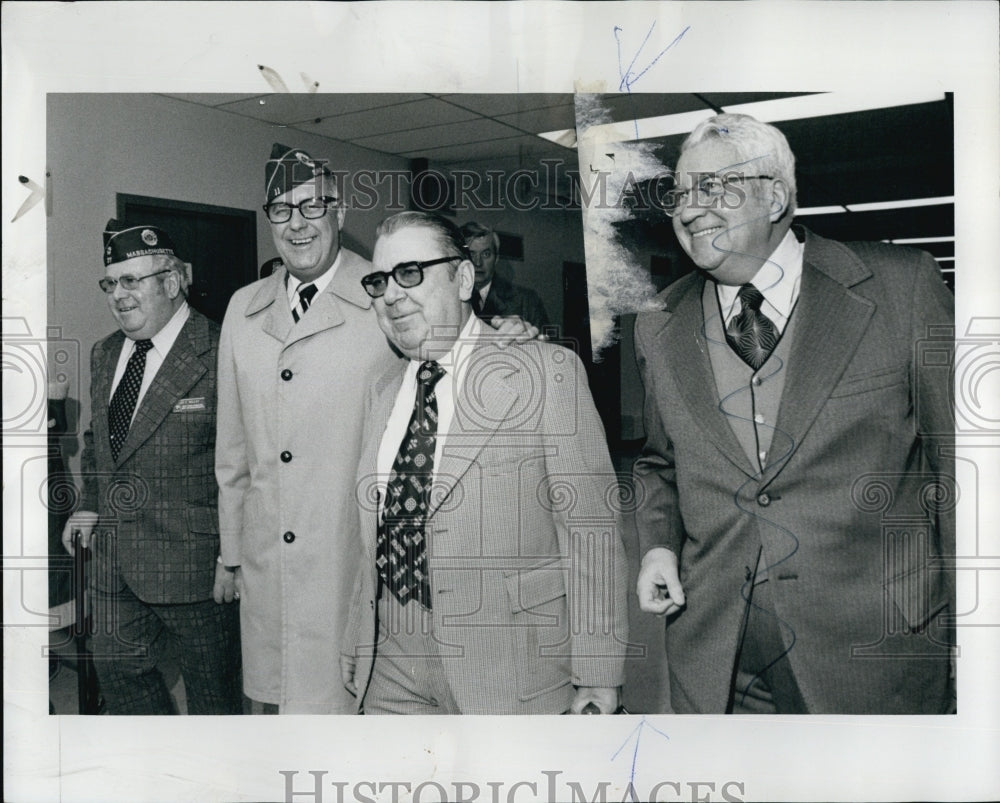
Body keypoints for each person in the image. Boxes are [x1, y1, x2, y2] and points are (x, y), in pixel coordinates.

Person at [632, 113, 955, 714]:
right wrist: (658, 547)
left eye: (712, 187)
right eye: (680, 192)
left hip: (874, 651)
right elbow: (660, 464)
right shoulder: (658, 323)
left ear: (774, 194)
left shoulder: (899, 289)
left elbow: (965, 469)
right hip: (720, 656)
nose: (688, 209)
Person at [217, 145, 538, 714]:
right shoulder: (242, 309)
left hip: (354, 570)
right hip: (269, 574)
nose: (297, 224)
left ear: (339, 211)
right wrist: (233, 554)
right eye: (281, 211)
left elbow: (451, 346)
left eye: (312, 206)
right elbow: (233, 454)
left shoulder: (383, 290)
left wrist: (505, 335)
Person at [341, 211, 628, 714]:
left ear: (465, 278)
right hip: (391, 660)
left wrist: (598, 671)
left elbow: (591, 530)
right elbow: (374, 534)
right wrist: (356, 635)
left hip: (511, 662)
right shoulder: (383, 389)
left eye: (411, 273)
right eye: (379, 280)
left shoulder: (545, 373)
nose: (391, 294)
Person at [61, 220, 241, 715]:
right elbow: (101, 441)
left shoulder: (223, 350)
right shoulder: (105, 352)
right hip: (116, 560)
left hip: (199, 567)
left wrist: (235, 553)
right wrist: (91, 507)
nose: (118, 295)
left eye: (131, 281)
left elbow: (248, 463)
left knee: (215, 701)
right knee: (119, 677)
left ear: (171, 280)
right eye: (110, 283)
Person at [460, 221, 550, 331]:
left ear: (496, 258)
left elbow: (549, 346)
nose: (478, 263)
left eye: (486, 254)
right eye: (471, 254)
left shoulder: (526, 301)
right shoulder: (450, 296)